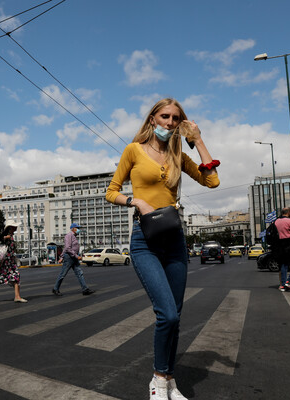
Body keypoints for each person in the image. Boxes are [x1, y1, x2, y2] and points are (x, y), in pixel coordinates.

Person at [106, 98, 220, 400]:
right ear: (152, 118)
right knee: (167, 314)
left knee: (176, 316)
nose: (169, 123)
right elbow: (111, 192)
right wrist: (136, 201)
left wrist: (198, 140)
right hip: (145, 240)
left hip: (174, 241)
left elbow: (213, 181)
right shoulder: (133, 150)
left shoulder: (178, 155)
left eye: (175, 118)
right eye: (165, 116)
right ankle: (157, 379)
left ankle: (169, 380)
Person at [52, 223, 95, 296]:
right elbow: (67, 248)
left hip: (73, 258)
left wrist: (64, 257)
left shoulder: (74, 236)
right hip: (69, 258)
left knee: (79, 273)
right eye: (77, 228)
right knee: (63, 274)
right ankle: (55, 288)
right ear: (73, 228)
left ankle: (85, 289)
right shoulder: (69, 236)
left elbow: (66, 248)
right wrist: (74, 256)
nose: (79, 229)